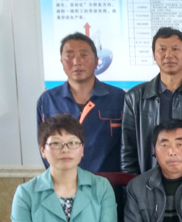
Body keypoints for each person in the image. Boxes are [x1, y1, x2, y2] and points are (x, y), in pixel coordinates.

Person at [121, 27, 182, 174]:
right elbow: (128, 152)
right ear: (154, 55)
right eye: (162, 49)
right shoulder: (134, 97)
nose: (168, 55)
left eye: (175, 49)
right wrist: (132, 186)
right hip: (148, 182)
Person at [37, 33, 125, 173]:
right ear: (61, 61)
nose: (77, 62)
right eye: (69, 56)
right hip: (65, 182)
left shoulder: (119, 98)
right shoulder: (47, 100)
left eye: (84, 55)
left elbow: (130, 146)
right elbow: (44, 146)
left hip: (110, 183)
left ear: (96, 61)